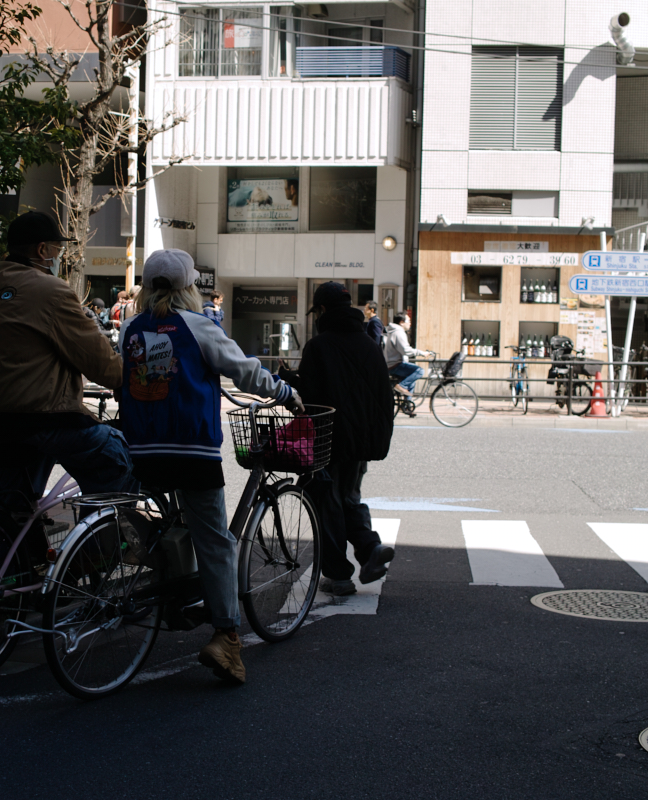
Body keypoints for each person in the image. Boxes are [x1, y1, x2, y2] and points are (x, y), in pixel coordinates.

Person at [119, 249, 303, 685]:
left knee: (166, 521)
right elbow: (244, 371)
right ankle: (226, 638)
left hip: (142, 448)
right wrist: (283, 392)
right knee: (216, 540)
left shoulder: (130, 327)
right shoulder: (199, 326)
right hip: (190, 449)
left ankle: (176, 592)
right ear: (189, 288)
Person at [0, 210, 134, 502]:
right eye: (57, 250)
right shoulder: (50, 290)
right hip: (34, 418)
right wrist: (128, 377)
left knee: (13, 502)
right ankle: (99, 531)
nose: (58, 257)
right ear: (42, 250)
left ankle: (15, 527)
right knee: (116, 455)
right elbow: (102, 365)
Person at [278, 281, 394, 597]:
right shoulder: (369, 343)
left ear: (322, 310)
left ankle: (339, 575)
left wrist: (287, 379)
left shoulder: (319, 346)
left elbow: (311, 396)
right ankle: (370, 548)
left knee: (327, 502)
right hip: (363, 440)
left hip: (329, 438)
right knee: (348, 498)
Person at [383, 313, 431, 396]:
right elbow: (406, 350)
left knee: (411, 381)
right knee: (419, 371)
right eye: (408, 321)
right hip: (395, 365)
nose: (410, 323)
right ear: (401, 322)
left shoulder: (393, 331)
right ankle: (401, 386)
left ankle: (407, 403)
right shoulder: (398, 332)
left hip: (391, 364)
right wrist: (422, 353)